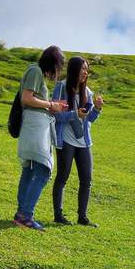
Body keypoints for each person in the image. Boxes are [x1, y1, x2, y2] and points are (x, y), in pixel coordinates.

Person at [14, 46, 69, 231]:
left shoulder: (35, 72)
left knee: (30, 169)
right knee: (44, 170)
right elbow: (27, 98)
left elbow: (33, 100)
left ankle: (22, 214)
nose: (58, 71)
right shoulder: (35, 71)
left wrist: (53, 106)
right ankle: (25, 215)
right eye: (59, 66)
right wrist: (52, 104)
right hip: (35, 127)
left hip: (35, 125)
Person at [51, 56, 103, 227]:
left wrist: (97, 109)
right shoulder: (61, 87)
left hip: (84, 142)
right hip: (65, 140)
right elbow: (56, 114)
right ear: (74, 70)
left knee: (86, 179)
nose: (86, 72)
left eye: (87, 69)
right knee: (63, 176)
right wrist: (74, 114)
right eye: (83, 69)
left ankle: (83, 217)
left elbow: (89, 120)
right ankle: (58, 215)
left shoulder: (87, 92)